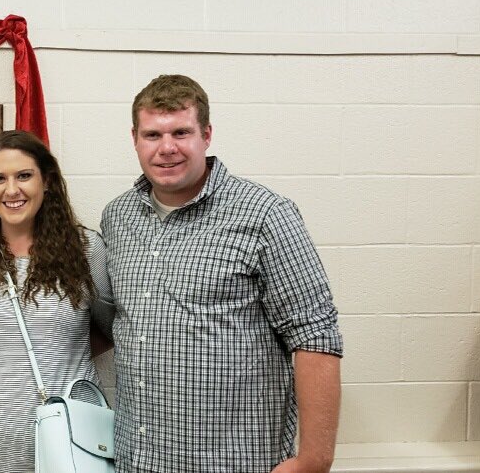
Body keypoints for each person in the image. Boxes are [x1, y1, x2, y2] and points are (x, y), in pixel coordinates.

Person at [97, 74, 343, 472]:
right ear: (134, 139)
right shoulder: (118, 216)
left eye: (181, 132)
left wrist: (314, 460)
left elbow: (315, 334)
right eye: (152, 135)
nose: (167, 148)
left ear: (206, 135)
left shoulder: (265, 214)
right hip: (138, 459)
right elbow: (116, 322)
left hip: (234, 460)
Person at [0, 130, 114, 473]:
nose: (11, 190)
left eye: (24, 175)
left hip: (68, 449)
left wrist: (60, 349)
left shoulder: (87, 250)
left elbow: (117, 329)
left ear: (47, 182)